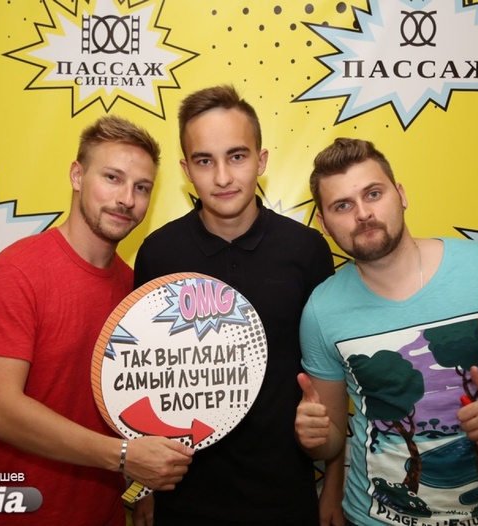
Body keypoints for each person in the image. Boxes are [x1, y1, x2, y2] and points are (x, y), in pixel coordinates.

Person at [294, 138, 478, 526]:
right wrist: (314, 437)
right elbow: (332, 441)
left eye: (373, 194)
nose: (363, 213)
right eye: (342, 205)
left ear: (401, 195)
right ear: (324, 225)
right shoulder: (322, 310)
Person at [0, 116, 194, 526]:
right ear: (77, 176)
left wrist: (143, 486)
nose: (126, 199)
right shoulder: (18, 271)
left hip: (101, 511)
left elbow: (134, 406)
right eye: (112, 177)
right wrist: (124, 457)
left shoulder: (135, 292)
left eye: (142, 187)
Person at [132, 85, 337, 526]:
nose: (223, 177)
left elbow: (331, 379)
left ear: (261, 161)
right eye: (205, 161)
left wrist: (334, 485)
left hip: (284, 495)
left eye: (237, 156)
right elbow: (141, 377)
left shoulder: (306, 249)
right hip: (182, 497)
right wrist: (144, 487)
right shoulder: (158, 253)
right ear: (187, 170)